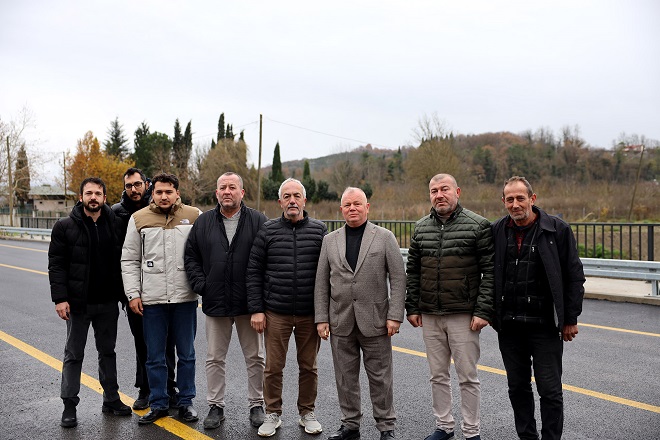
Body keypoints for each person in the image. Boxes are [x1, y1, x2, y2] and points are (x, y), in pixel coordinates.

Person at [492, 176, 584, 440]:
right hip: (509, 327)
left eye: (520, 198)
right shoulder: (497, 230)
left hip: (545, 327)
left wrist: (570, 318)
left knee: (550, 391)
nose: (515, 204)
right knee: (517, 388)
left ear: (532, 199)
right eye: (510, 199)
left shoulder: (557, 230)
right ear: (503, 201)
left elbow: (574, 276)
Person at [406, 173, 494, 440]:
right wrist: (412, 307)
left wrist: (482, 311)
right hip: (430, 314)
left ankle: (472, 431)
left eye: (444, 189)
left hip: (463, 315)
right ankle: (444, 426)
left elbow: (490, 272)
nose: (439, 195)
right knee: (437, 375)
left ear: (458, 191)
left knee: (467, 376)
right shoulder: (421, 227)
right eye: (434, 191)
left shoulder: (478, 225)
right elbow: (413, 271)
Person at [314, 187, 406, 440]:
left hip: (376, 321)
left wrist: (395, 315)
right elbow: (321, 283)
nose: (352, 208)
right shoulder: (329, 240)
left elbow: (398, 278)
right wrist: (321, 318)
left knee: (381, 378)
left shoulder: (384, 237)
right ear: (341, 209)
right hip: (340, 320)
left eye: (357, 203)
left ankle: (386, 427)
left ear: (367, 207)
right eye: (347, 205)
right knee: (345, 378)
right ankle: (350, 425)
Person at [185, 172, 268, 430]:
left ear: (242, 192)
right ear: (217, 193)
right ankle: (215, 406)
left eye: (232, 187)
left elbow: (268, 260)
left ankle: (257, 404)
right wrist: (203, 286)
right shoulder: (203, 222)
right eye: (223, 187)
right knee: (214, 358)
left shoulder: (258, 221)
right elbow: (191, 257)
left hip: (248, 304)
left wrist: (260, 303)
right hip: (215, 302)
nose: (227, 191)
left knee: (255, 357)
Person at [48, 177, 132, 428]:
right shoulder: (64, 226)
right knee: (74, 354)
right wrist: (60, 298)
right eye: (88, 193)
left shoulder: (116, 224)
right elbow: (56, 265)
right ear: (81, 197)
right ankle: (69, 405)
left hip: (108, 303)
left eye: (97, 193)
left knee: (108, 352)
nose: (93, 197)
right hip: (78, 305)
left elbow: (127, 260)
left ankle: (111, 399)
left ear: (105, 198)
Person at [247, 177, 327, 437]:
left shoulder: (320, 231)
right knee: (273, 367)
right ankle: (273, 413)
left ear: (304, 200)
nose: (292, 201)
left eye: (297, 196)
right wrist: (257, 309)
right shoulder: (267, 231)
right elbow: (254, 271)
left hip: (309, 313)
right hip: (275, 312)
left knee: (309, 367)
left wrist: (324, 314)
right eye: (287, 196)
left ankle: (307, 412)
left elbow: (328, 273)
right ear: (280, 201)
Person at [121, 172, 201, 425]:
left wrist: (203, 288)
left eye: (169, 191)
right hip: (152, 301)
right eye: (159, 192)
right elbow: (129, 259)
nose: (164, 196)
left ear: (177, 193)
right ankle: (158, 404)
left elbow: (203, 255)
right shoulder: (139, 218)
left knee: (186, 355)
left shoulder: (194, 216)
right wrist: (133, 294)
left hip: (184, 299)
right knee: (154, 356)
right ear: (151, 193)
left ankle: (186, 402)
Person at [111, 167, 178, 410]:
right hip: (133, 292)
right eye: (129, 186)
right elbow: (117, 255)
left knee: (166, 343)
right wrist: (126, 292)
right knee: (142, 343)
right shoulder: (115, 214)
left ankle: (169, 387)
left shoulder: (160, 208)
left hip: (160, 289)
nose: (134, 189)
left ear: (146, 184)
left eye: (137, 184)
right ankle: (145, 389)